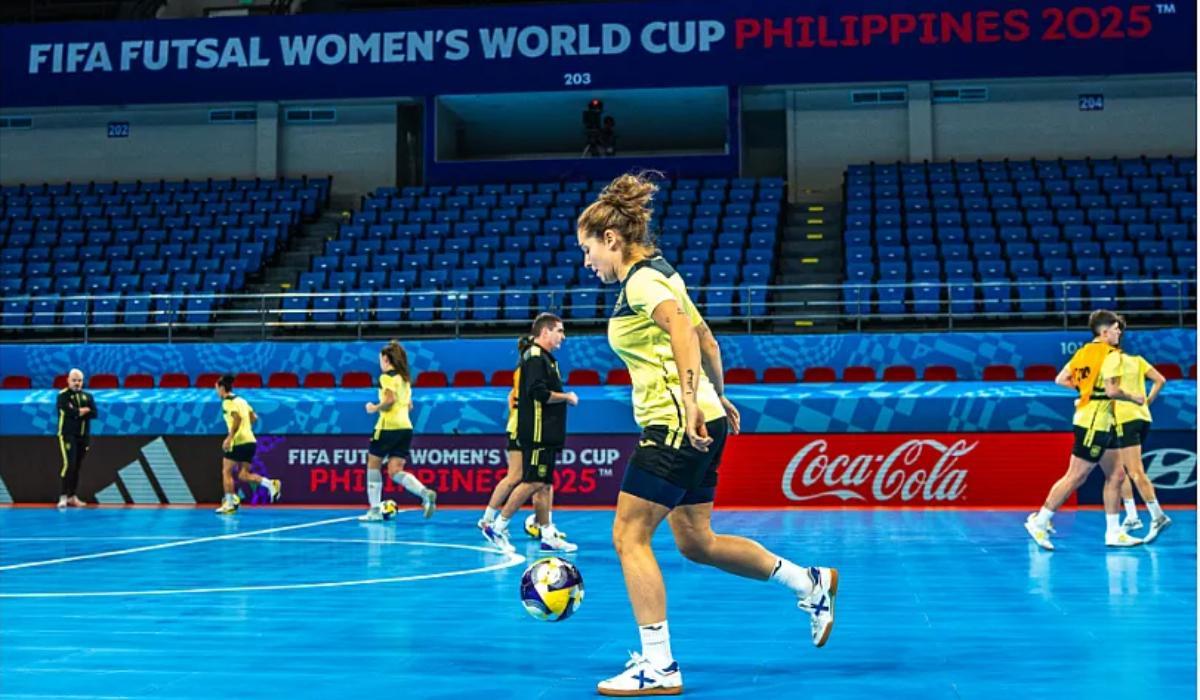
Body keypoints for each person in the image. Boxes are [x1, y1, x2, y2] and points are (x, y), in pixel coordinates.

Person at [576, 173, 838, 697]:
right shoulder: (665, 273)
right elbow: (708, 340)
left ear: (611, 240)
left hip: (675, 422)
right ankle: (808, 582)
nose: (587, 263)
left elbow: (679, 330)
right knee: (697, 542)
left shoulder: (642, 283)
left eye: (587, 250)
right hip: (702, 415)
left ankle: (658, 665)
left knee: (629, 536)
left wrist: (695, 402)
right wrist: (717, 398)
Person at [1024, 310, 1143, 549]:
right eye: (1116, 328)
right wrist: (1135, 397)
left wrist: (1085, 393)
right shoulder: (1112, 356)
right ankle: (1040, 521)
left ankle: (1113, 532)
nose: (1120, 332)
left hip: (1102, 419)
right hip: (1093, 423)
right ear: (1104, 331)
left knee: (1117, 475)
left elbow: (1061, 378)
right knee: (1076, 476)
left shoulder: (1083, 352)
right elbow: (1112, 391)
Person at [481, 314, 578, 553]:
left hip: (548, 433)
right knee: (532, 481)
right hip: (537, 434)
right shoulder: (534, 357)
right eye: (559, 331)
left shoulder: (547, 359)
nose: (563, 336)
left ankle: (547, 535)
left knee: (544, 485)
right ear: (545, 332)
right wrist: (567, 397)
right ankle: (498, 525)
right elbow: (539, 393)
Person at [477, 336, 555, 539]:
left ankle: (545, 526)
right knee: (519, 478)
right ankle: (489, 520)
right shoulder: (529, 369)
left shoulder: (525, 369)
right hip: (523, 428)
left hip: (527, 427)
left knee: (542, 482)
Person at [1101, 324, 1171, 542]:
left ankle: (1157, 515)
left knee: (1135, 471)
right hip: (1142, 418)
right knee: (1120, 469)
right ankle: (1132, 515)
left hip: (1125, 419)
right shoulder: (1138, 360)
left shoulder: (1111, 362)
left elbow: (1111, 392)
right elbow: (1161, 380)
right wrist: (1147, 402)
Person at [360, 340, 437, 521]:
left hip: (388, 427)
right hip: (405, 428)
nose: (380, 363)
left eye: (380, 359)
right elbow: (409, 405)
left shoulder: (386, 378)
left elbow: (389, 401)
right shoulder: (405, 380)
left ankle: (375, 510)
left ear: (386, 359)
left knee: (373, 464)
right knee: (395, 470)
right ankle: (424, 493)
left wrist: (374, 408)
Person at [215, 373, 280, 514]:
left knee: (226, 471)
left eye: (216, 389)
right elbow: (254, 417)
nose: (216, 392)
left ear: (221, 388)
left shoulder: (227, 402)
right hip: (250, 441)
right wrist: (246, 428)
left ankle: (230, 503)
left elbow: (237, 419)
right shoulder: (242, 400)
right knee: (243, 475)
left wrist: (230, 437)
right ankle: (270, 484)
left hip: (238, 441)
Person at [56, 368, 97, 508]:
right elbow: (67, 411)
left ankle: (72, 496)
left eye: (79, 380)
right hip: (68, 435)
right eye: (74, 380)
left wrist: (77, 412)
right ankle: (63, 496)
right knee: (69, 465)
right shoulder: (63, 395)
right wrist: (81, 411)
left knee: (77, 466)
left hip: (83, 436)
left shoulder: (88, 396)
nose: (77, 383)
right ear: (68, 380)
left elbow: (94, 413)